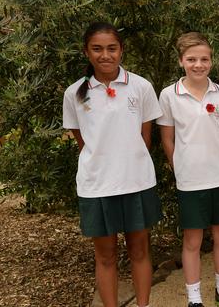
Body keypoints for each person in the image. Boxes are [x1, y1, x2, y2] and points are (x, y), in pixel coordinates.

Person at [62, 22, 162, 307]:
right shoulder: (75, 93)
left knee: (140, 251)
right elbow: (83, 142)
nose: (105, 55)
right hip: (97, 186)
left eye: (111, 48)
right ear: (86, 52)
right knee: (105, 256)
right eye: (97, 49)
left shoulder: (140, 86)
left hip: (137, 181)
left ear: (121, 50)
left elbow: (146, 138)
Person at [157, 32, 219, 307]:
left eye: (204, 59)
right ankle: (194, 299)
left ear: (211, 61)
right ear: (181, 61)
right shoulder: (169, 95)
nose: (198, 64)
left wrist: (211, 158)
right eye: (192, 59)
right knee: (193, 241)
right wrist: (180, 167)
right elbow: (167, 139)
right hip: (190, 181)